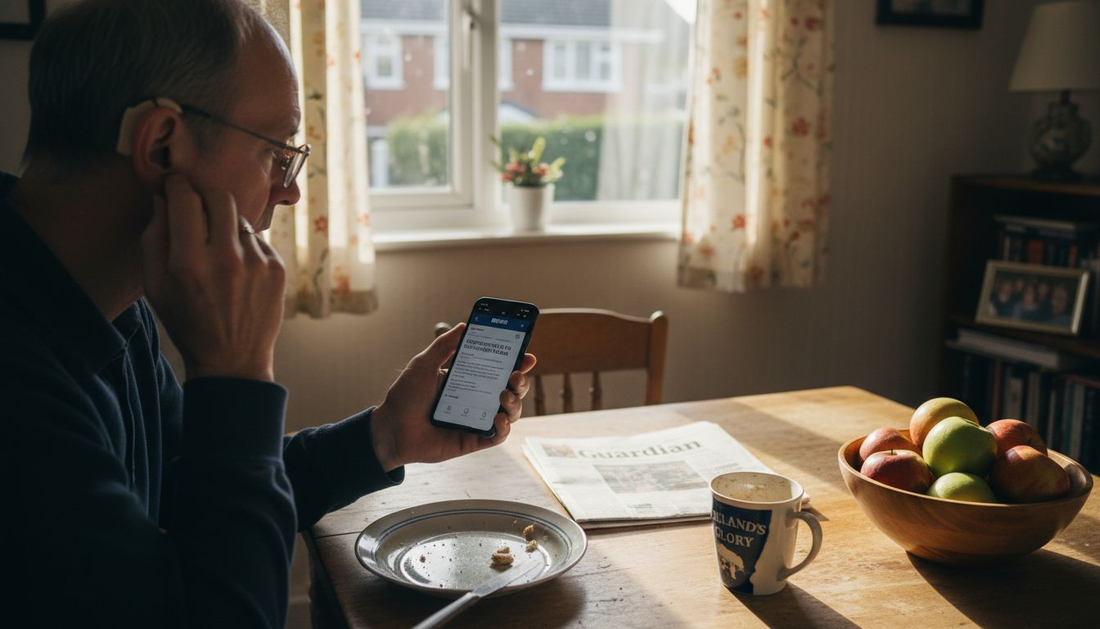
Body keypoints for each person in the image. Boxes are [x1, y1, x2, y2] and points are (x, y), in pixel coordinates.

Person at [0, 1, 535, 627]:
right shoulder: (18, 388)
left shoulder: (111, 301)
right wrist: (234, 372)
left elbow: (193, 481)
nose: (290, 191)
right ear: (163, 145)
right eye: (276, 153)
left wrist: (386, 436)